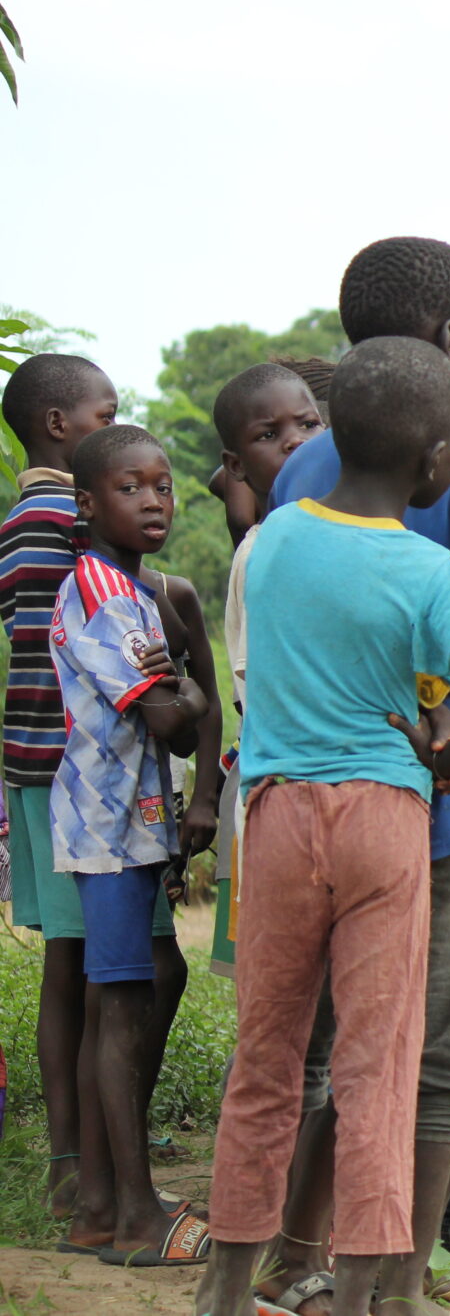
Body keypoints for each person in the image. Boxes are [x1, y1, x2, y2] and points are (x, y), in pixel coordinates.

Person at [199, 338, 450, 1316]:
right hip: (387, 817)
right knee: (377, 1068)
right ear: (438, 460)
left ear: (334, 434)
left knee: (265, 1060)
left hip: (281, 811)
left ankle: (222, 1293)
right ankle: (361, 1296)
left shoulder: (274, 541)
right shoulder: (430, 570)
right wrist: (449, 756)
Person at [266, 236, 450, 1313]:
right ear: (447, 340)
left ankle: (295, 1257)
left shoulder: (305, 465)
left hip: (315, 790)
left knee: (324, 1041)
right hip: (444, 796)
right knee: (435, 1050)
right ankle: (392, 1280)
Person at [51, 425, 211, 1266]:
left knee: (140, 985)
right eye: (131, 487)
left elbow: (182, 737)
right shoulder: (107, 594)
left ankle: (103, 1201)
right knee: (118, 1008)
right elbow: (168, 717)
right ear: (87, 502)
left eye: (163, 485)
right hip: (109, 831)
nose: (154, 500)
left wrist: (178, 690)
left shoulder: (131, 589)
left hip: (127, 824)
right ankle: (135, 1217)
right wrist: (181, 685)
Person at [207, 360, 340, 1314]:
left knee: (328, 1055)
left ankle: (302, 1246)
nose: (293, 444)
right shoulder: (267, 550)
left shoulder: (330, 536)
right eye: (270, 436)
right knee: (284, 1051)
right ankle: (259, 1255)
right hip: (288, 811)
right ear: (237, 460)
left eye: (306, 425)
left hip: (336, 821)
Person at [0, 353, 119, 1221]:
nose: (113, 428)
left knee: (65, 965)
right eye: (104, 414)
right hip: (69, 769)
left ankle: (71, 1154)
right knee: (86, 970)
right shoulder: (59, 518)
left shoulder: (17, 515)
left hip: (28, 762)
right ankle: (80, 1164)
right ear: (58, 426)